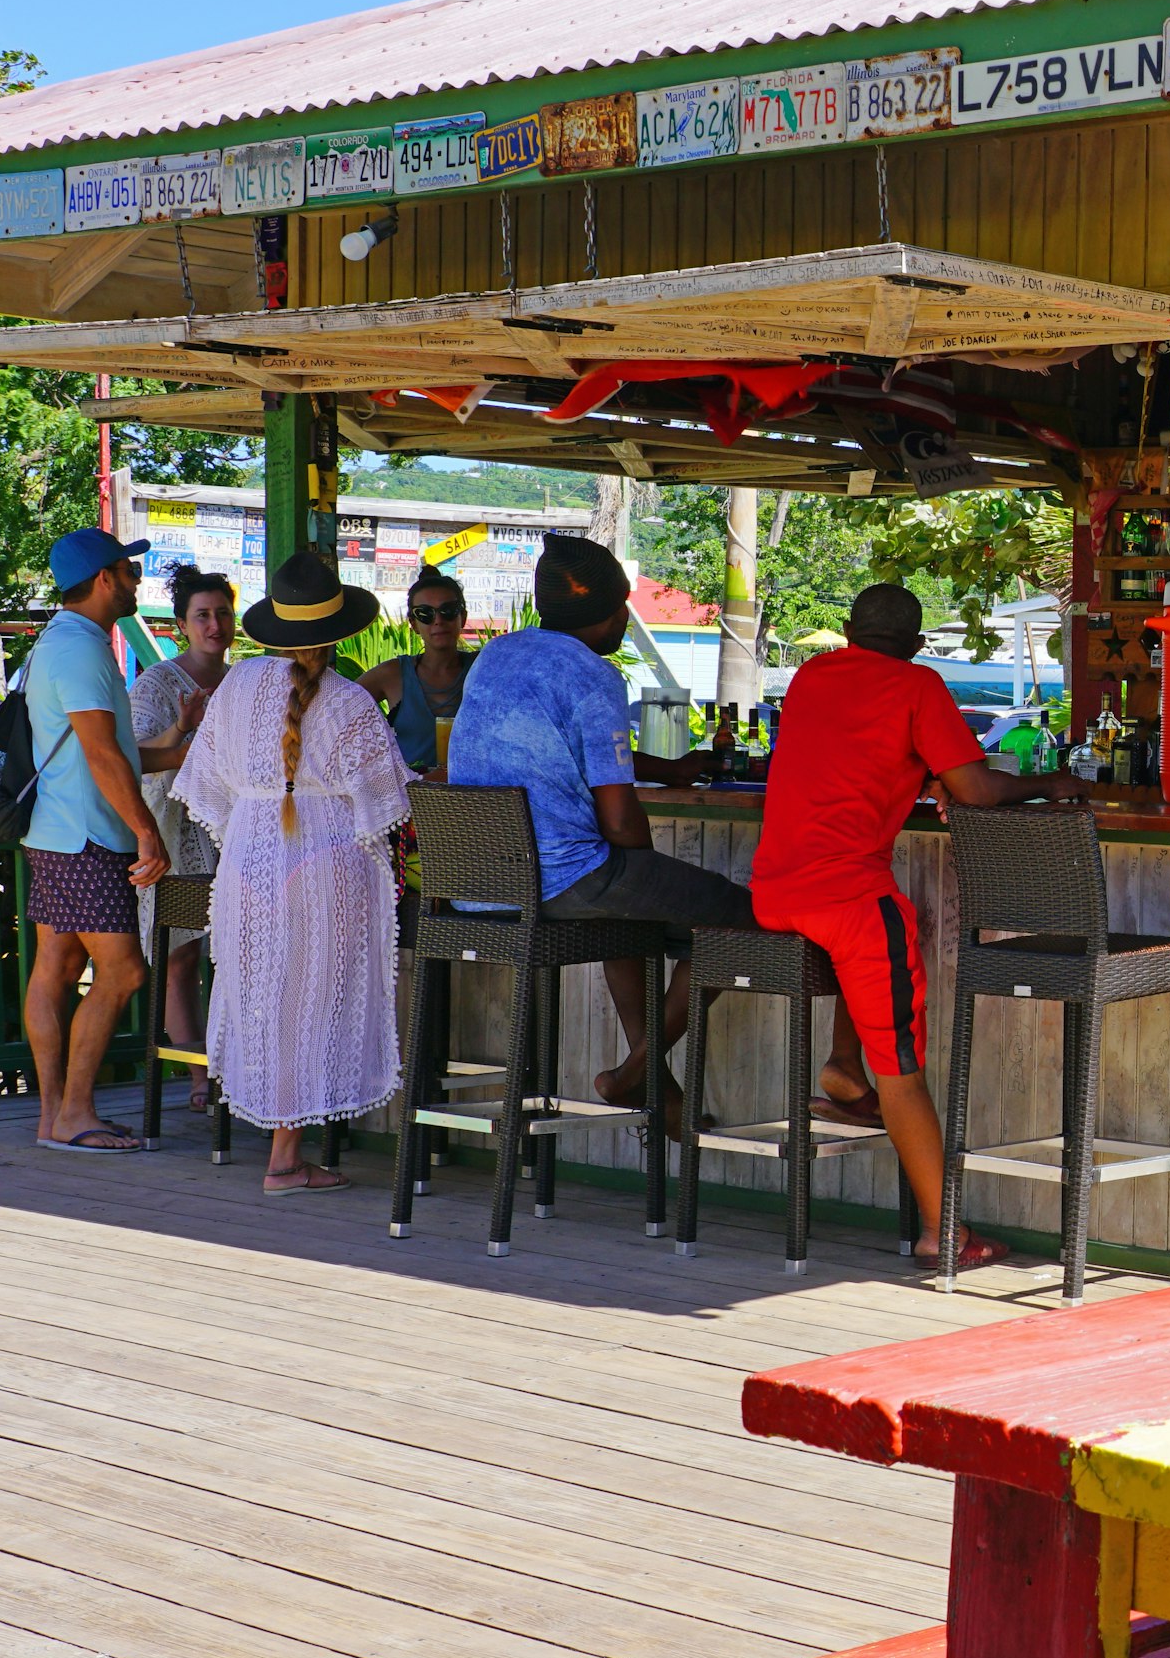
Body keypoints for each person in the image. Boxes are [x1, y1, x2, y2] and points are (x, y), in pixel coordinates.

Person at [749, 582, 1079, 1258]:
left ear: (846, 629)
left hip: (775, 894)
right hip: (848, 899)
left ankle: (843, 1066)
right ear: (918, 642)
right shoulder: (917, 685)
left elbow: (850, 761)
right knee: (901, 1065)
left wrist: (917, 776)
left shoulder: (812, 675)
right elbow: (979, 789)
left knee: (867, 954)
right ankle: (943, 1232)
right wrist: (1051, 783)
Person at [445, 535, 746, 1128]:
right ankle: (635, 1071)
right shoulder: (595, 676)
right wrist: (643, 869)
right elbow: (618, 819)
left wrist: (672, 769)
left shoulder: (496, 656)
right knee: (740, 918)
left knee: (630, 914)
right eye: (624, 608)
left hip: (483, 882)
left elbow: (563, 753)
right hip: (562, 878)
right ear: (611, 611)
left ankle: (655, 1087)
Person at [175, 550, 413, 1190]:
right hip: (325, 866)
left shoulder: (239, 685)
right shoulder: (348, 702)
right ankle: (285, 1157)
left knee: (264, 1001)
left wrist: (261, 825)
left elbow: (208, 791)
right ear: (339, 629)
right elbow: (386, 800)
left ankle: (276, 1145)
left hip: (249, 864)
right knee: (312, 1004)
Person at [20, 527, 171, 1154]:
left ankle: (54, 1114)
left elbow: (116, 755)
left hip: (53, 833)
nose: (137, 581)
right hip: (88, 836)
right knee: (126, 971)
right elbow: (101, 753)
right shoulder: (83, 649)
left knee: (55, 967)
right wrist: (145, 829)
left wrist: (186, 748)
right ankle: (77, 1112)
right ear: (106, 578)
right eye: (130, 572)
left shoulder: (56, 641)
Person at [131, 568, 237, 1109]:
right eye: (203, 615)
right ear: (181, 625)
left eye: (222, 613)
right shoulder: (157, 682)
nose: (215, 624)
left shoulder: (245, 681)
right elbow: (136, 758)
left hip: (239, 836)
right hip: (177, 833)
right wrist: (182, 727)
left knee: (238, 956)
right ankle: (200, 1077)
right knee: (180, 957)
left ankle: (236, 1069)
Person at [363, 566, 475, 772]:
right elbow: (336, 710)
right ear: (413, 624)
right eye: (425, 614)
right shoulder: (392, 674)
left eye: (448, 611)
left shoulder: (483, 669)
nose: (438, 621)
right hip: (408, 801)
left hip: (473, 799)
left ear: (463, 617)